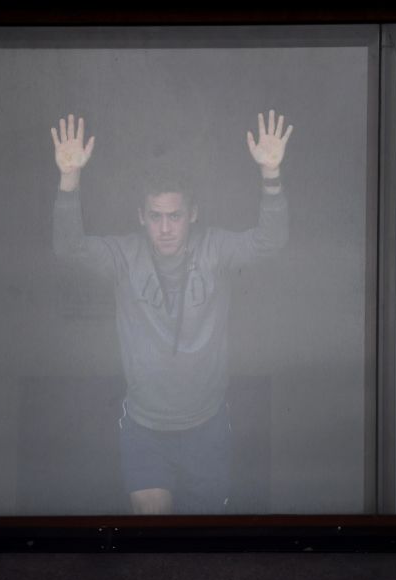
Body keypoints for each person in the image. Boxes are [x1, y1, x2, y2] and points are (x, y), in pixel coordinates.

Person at [51, 110, 292, 514]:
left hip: (207, 425)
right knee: (152, 524)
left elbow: (270, 243)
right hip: (145, 427)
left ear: (192, 214)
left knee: (201, 542)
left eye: (175, 216)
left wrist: (271, 176)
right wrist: (69, 181)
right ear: (142, 217)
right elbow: (69, 248)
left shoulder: (214, 249)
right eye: (157, 217)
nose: (166, 228)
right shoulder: (124, 256)